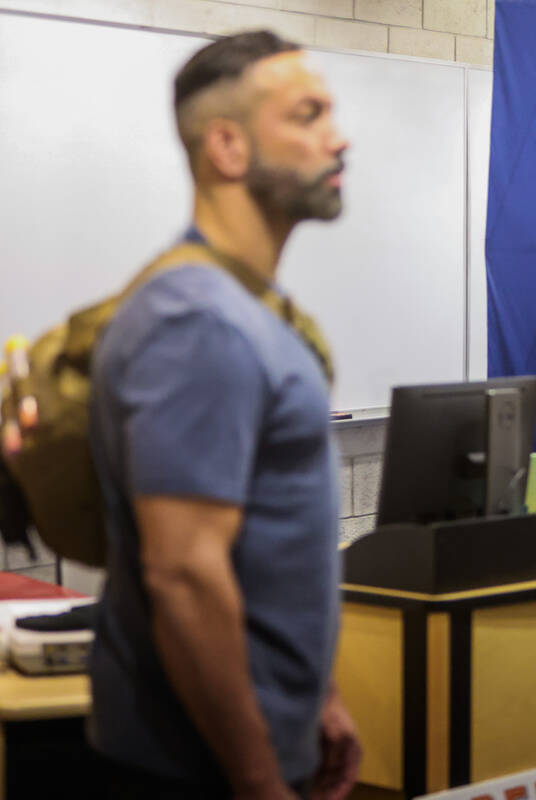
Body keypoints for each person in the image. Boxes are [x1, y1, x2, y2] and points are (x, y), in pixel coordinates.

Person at [88, 31, 360, 798]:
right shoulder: (197, 323)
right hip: (200, 767)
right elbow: (184, 574)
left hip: (262, 742)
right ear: (229, 148)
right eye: (308, 115)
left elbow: (263, 554)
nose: (339, 138)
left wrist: (317, 700)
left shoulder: (250, 311)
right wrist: (257, 777)